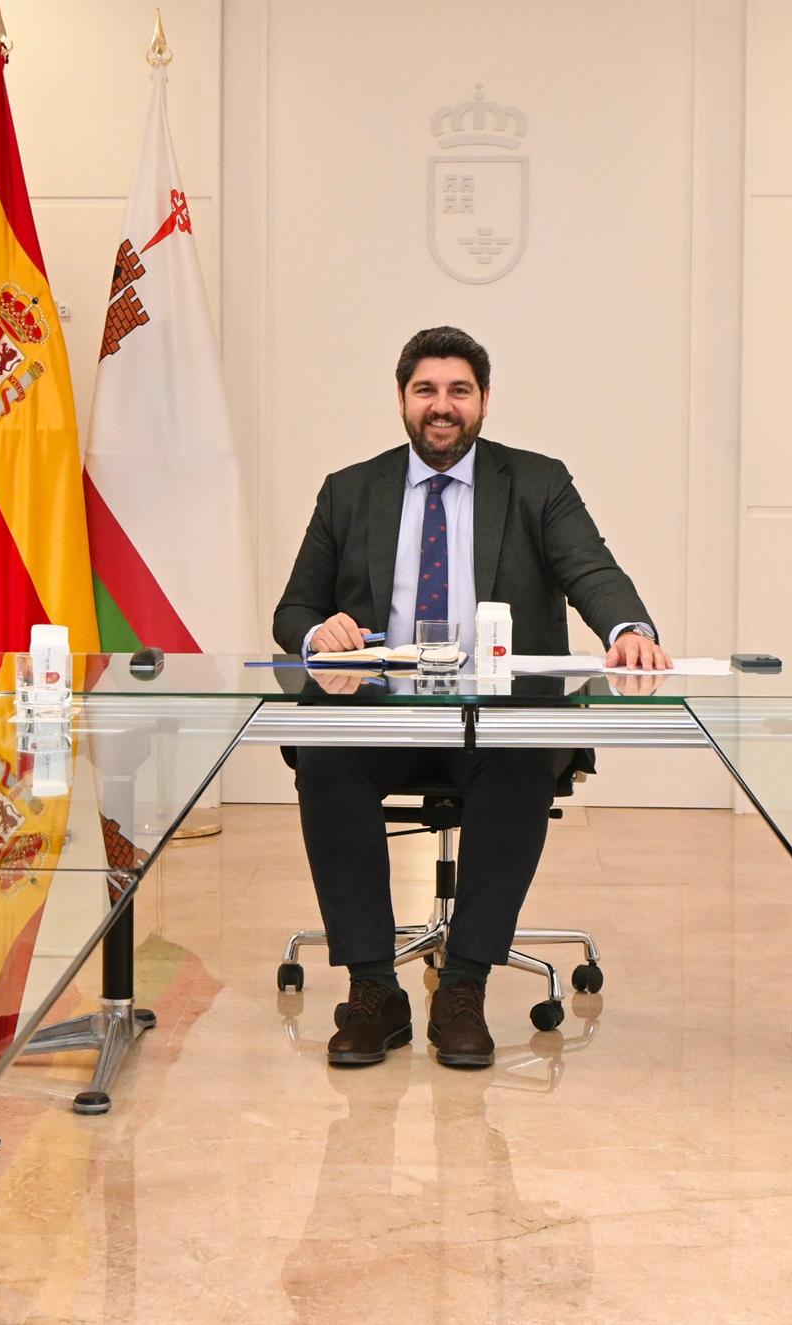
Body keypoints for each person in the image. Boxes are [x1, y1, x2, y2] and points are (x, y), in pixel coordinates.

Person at [273, 326, 671, 1069]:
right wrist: (316, 632)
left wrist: (629, 627)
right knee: (326, 754)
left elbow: (591, 568)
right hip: (380, 711)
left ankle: (464, 984)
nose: (441, 406)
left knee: (518, 760)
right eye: (426, 390)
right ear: (401, 400)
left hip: (497, 717)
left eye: (458, 390)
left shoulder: (538, 481)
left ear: (483, 401)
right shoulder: (349, 490)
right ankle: (372, 989)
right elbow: (293, 610)